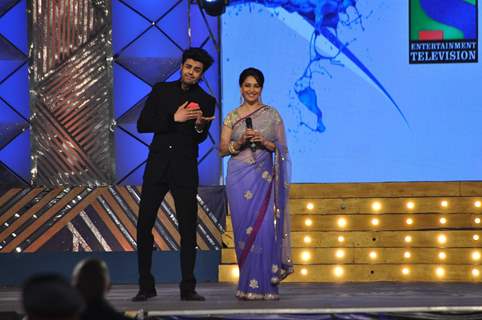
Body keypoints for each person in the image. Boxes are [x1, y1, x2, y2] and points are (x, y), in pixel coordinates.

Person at [133, 47, 216, 302]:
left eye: (197, 70)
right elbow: (143, 124)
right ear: (182, 66)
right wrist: (174, 117)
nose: (191, 72)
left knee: (188, 228)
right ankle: (146, 286)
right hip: (157, 167)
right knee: (144, 224)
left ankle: (188, 287)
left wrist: (201, 126)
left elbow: (199, 138)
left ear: (202, 74)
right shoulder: (161, 90)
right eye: (188, 67)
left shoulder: (206, 100)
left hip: (184, 169)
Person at [220, 68, 293, 300]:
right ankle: (246, 284)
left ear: (262, 88)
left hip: (262, 179)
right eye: (247, 85)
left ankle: (266, 286)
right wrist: (240, 141)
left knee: (264, 229)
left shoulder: (273, 115)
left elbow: (283, 150)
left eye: (256, 85)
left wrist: (265, 142)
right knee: (243, 230)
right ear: (241, 88)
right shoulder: (232, 116)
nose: (252, 90)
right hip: (238, 179)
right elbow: (222, 150)